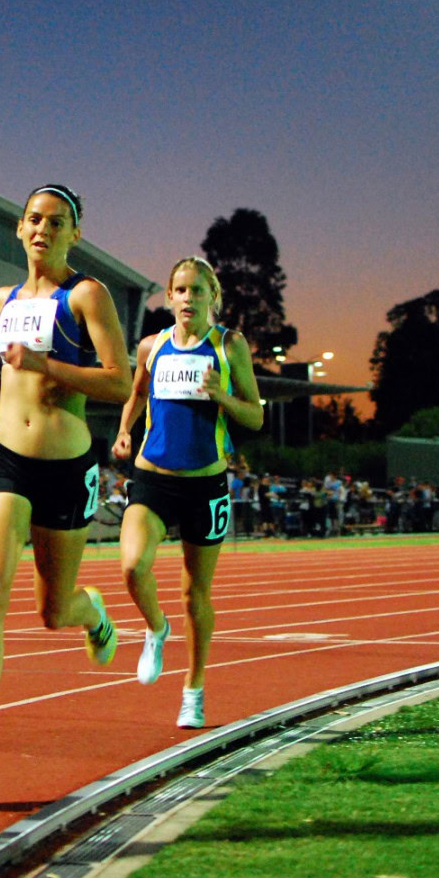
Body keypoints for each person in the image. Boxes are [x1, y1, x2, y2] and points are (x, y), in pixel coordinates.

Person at [0, 184, 133, 782]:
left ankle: (93, 613)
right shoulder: (2, 297)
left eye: (57, 223)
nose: (44, 230)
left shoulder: (86, 295)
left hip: (67, 465)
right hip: (4, 457)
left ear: (74, 234)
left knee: (54, 610)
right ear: (19, 227)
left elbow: (118, 381)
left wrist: (45, 366)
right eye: (35, 220)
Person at [113, 256, 264, 730]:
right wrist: (123, 431)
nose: (187, 299)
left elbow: (255, 416)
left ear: (212, 298)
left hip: (205, 484)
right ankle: (157, 629)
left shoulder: (228, 345)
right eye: (180, 290)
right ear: (169, 297)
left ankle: (193, 690)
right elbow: (137, 393)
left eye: (198, 291)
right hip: (153, 477)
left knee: (195, 592)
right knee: (133, 566)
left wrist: (223, 396)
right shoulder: (151, 346)